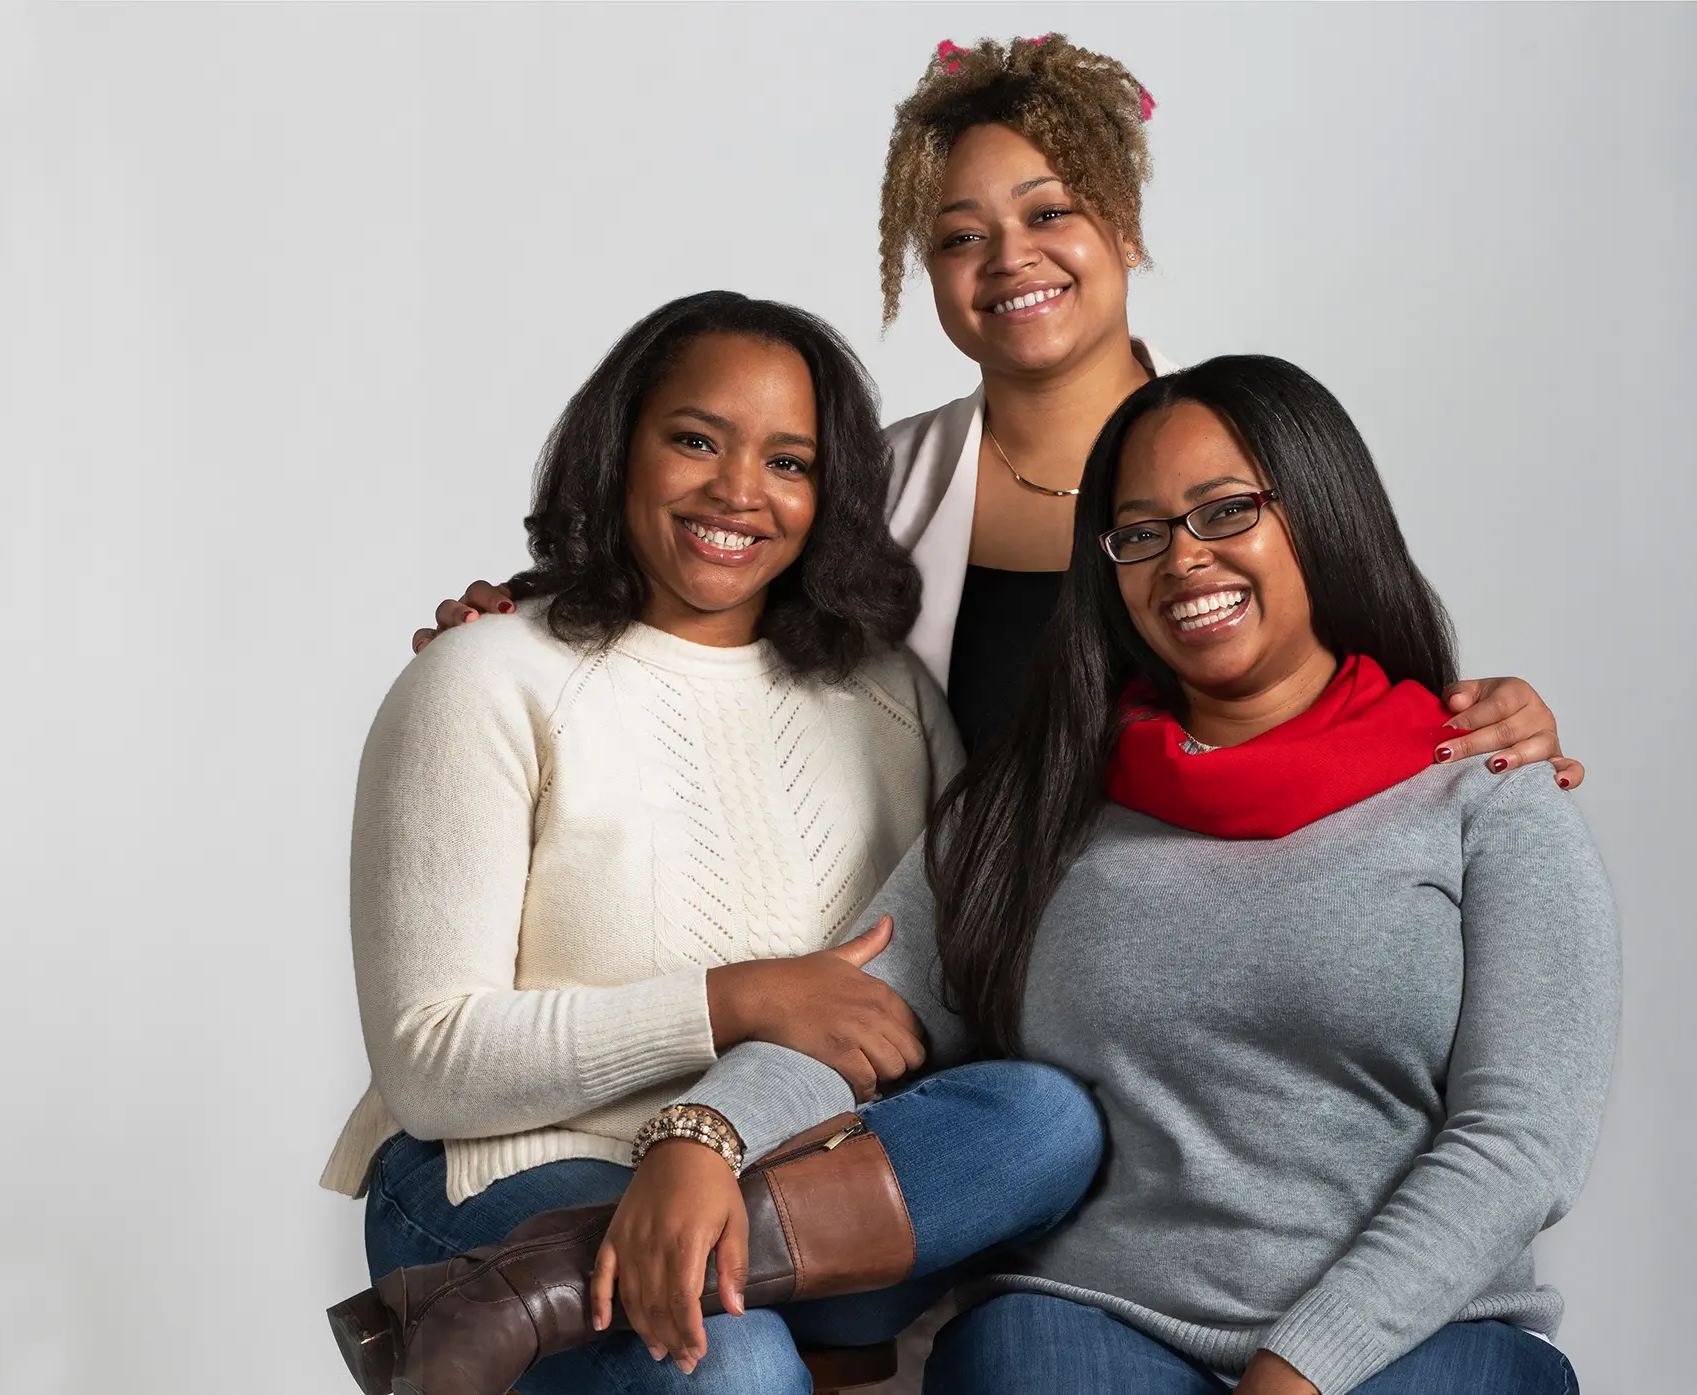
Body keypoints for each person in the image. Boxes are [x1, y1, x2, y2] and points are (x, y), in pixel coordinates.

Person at [590, 355, 1620, 1395]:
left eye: (1225, 512)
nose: (1183, 561)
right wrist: (702, 1137)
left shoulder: (1488, 796)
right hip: (1091, 1330)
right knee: (1015, 1361)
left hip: (1416, 1339)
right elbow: (857, 1004)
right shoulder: (1035, 802)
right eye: (1141, 533)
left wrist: (1301, 1367)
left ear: (1322, 512)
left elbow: (1521, 1141)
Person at [416, 33, 1583, 786]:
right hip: (947, 984)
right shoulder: (866, 482)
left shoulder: (1250, 453)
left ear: (1123, 227)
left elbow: (1374, 683)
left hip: (1212, 961)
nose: (1008, 259)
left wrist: (1496, 717)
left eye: (1047, 213)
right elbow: (700, 593)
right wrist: (527, 624)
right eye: (959, 238)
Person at [319, 290, 1104, 1395]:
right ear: (619, 446)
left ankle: (536, 1293)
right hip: (504, 1170)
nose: (740, 492)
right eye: (696, 440)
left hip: (783, 1170)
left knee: (1043, 1122)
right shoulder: (484, 678)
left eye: (790, 462)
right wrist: (734, 1000)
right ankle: (613, 1272)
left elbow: (932, 988)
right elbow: (431, 1067)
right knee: (727, 1366)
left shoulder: (884, 695)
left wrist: (710, 1143)